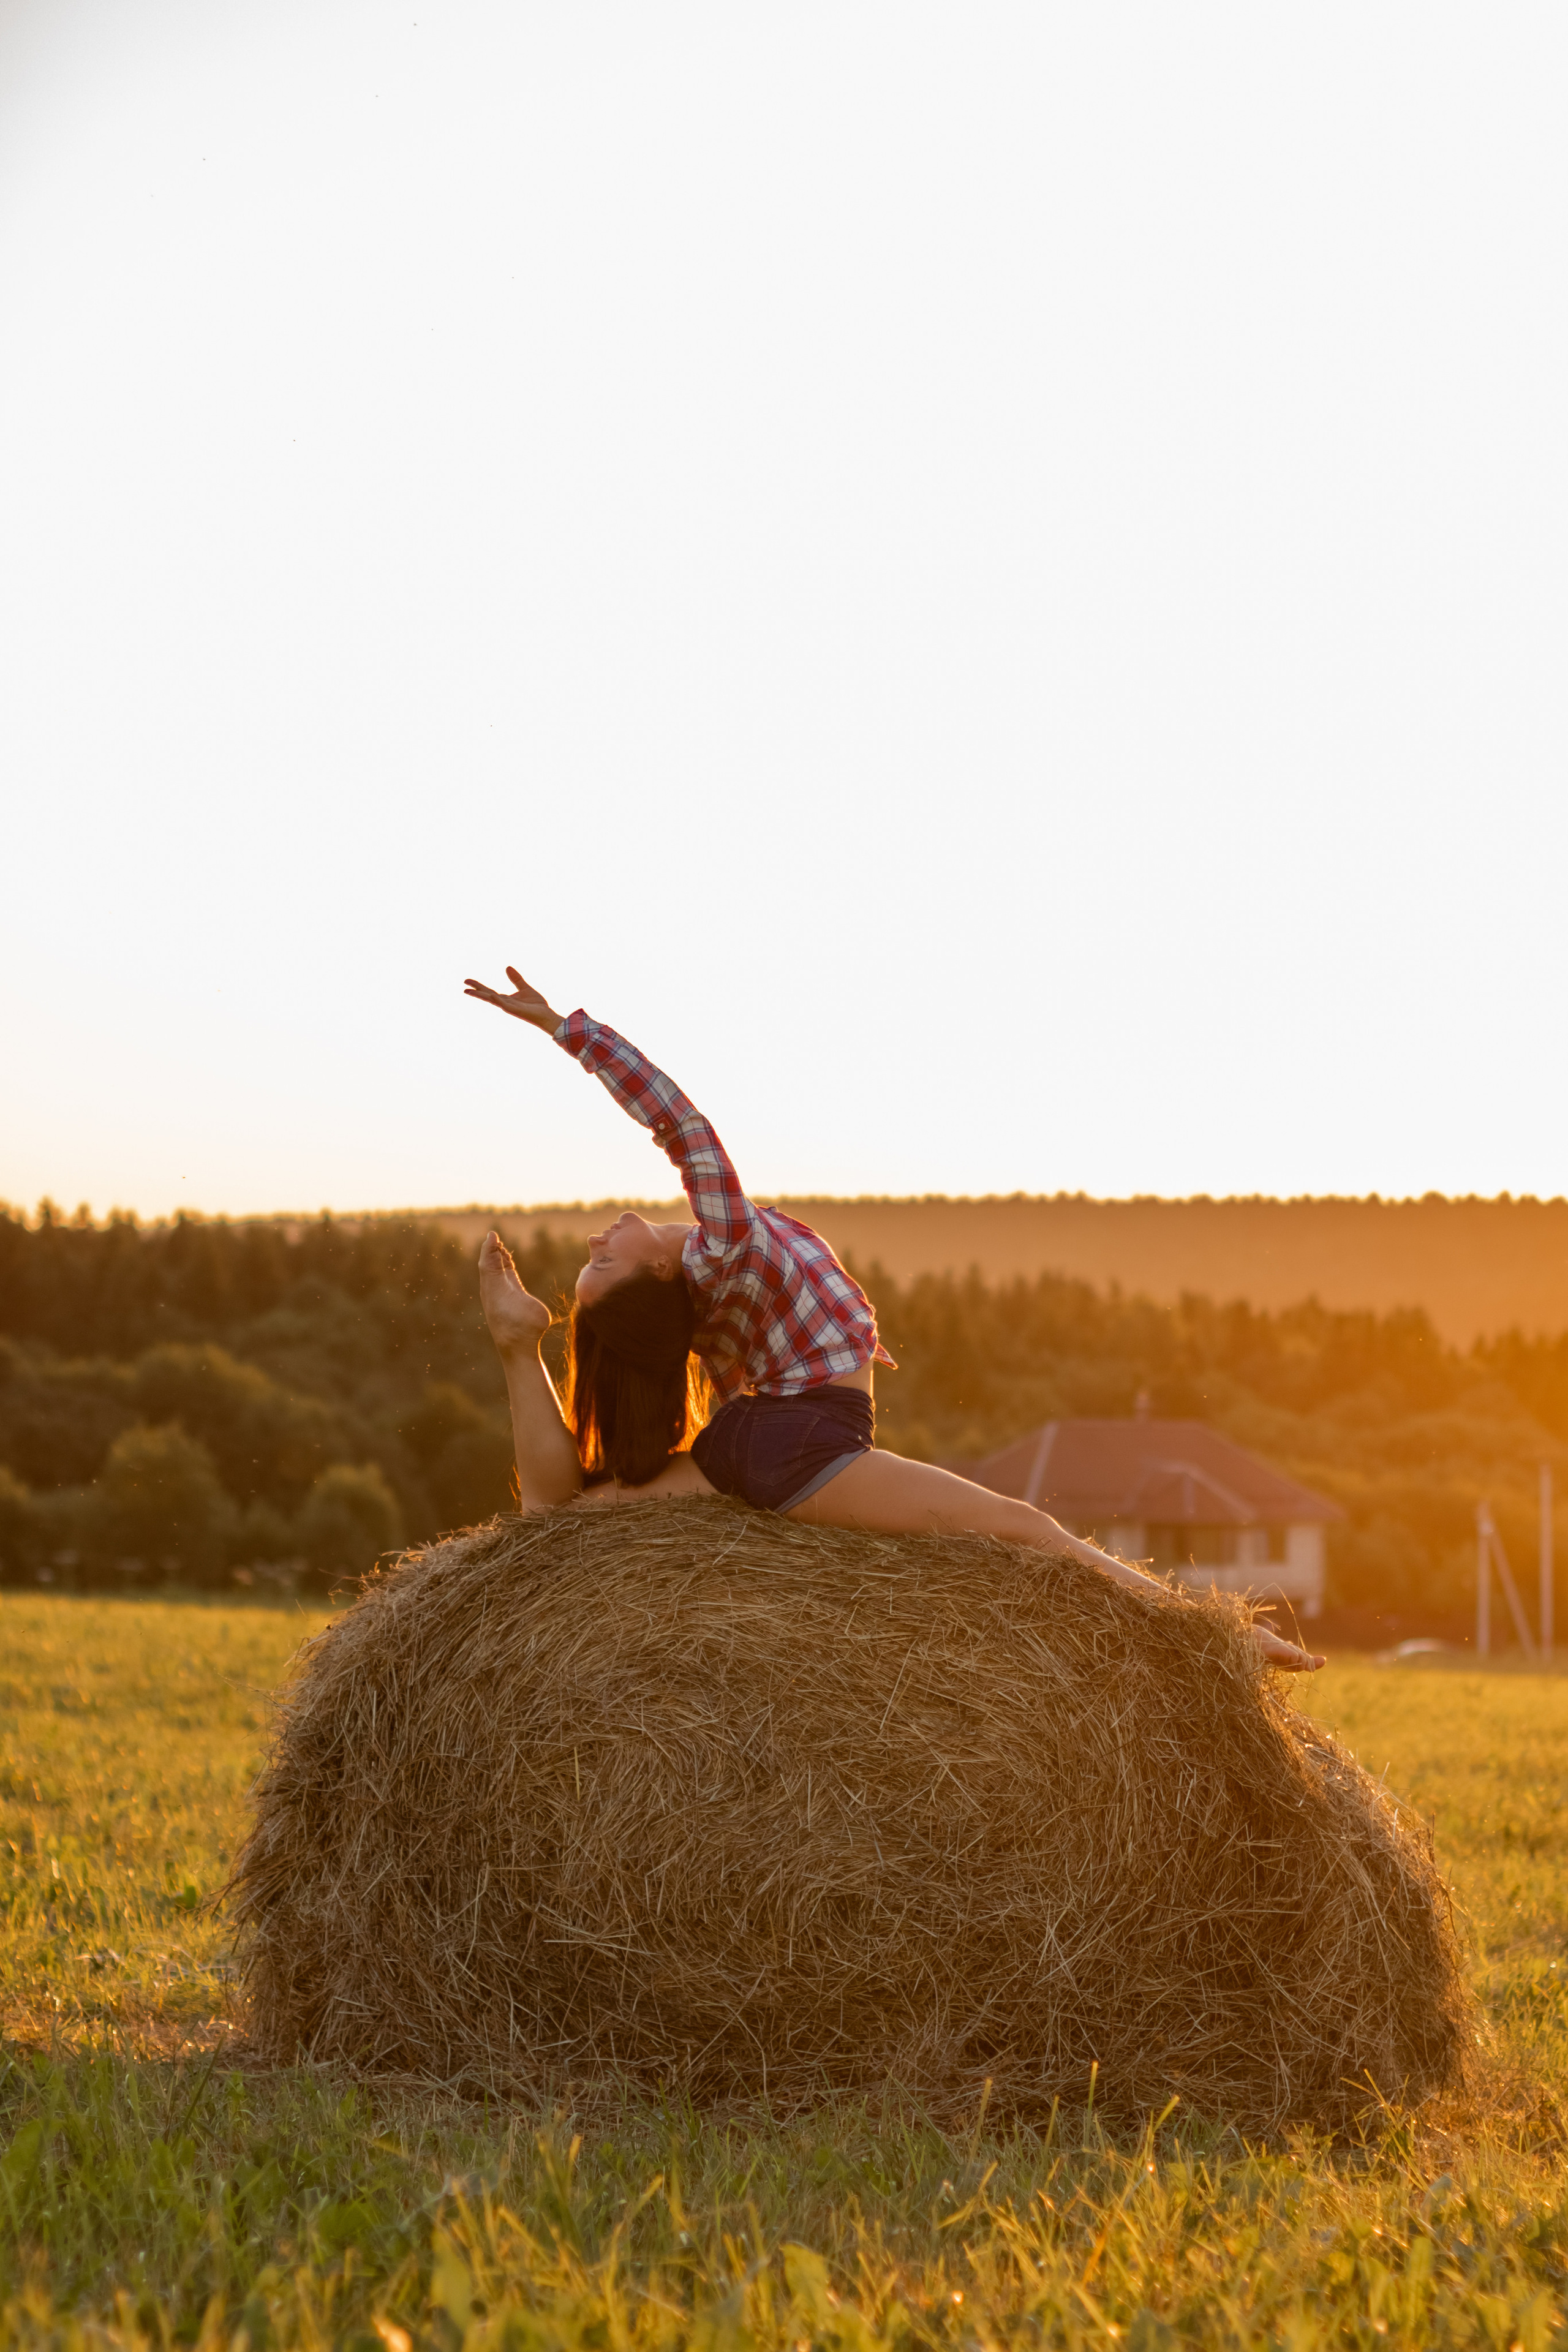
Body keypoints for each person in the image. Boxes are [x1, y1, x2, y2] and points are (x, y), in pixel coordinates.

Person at [464, 966, 1324, 1674]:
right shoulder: (722, 1246)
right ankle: (1216, 1637)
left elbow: (574, 1482)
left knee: (569, 1517)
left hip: (755, 1445)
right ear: (655, 1271)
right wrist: (568, 1031)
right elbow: (680, 1124)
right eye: (600, 1261)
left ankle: (517, 1344)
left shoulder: (710, 1300)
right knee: (1026, 1530)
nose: (593, 1234)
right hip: (797, 1443)